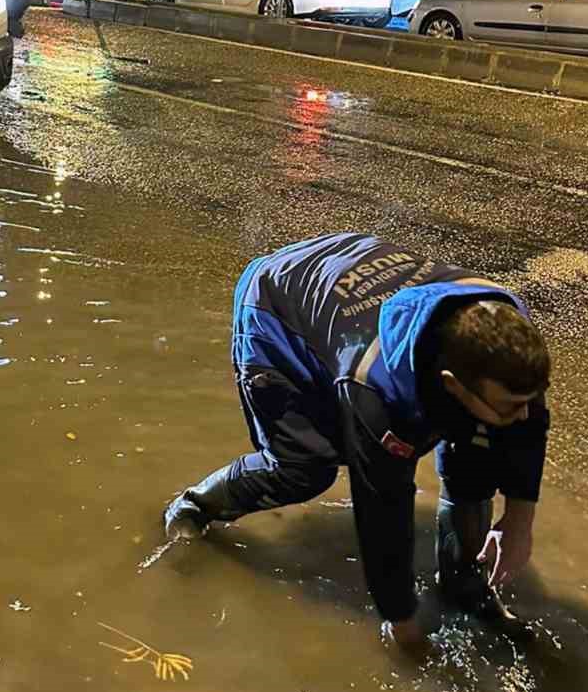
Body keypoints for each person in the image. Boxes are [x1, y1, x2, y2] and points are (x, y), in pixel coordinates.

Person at [164, 233, 551, 650]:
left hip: (354, 274)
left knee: (480, 443)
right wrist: (401, 620)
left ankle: (463, 585)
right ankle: (194, 507)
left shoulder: (509, 332)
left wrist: (518, 522)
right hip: (276, 306)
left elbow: (527, 426)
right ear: (452, 384)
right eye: (511, 405)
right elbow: (382, 508)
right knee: (303, 468)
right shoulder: (375, 388)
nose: (523, 414)